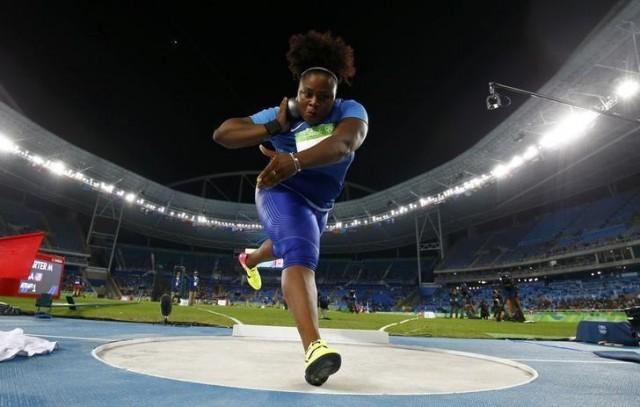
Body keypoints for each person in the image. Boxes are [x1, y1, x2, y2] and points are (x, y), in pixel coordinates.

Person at [213, 30, 368, 386]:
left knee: (289, 243)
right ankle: (315, 348)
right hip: (278, 191)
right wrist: (272, 127)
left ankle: (249, 259)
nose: (314, 103)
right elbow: (223, 134)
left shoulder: (351, 113)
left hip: (320, 204)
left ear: (336, 97)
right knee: (300, 252)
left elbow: (344, 144)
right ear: (297, 93)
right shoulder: (281, 115)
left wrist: (295, 161)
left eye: (323, 97)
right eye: (306, 94)